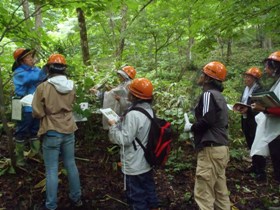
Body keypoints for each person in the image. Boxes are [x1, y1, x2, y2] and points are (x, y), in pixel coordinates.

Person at [32, 54, 82, 210]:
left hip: (52, 129)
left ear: (48, 69)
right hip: (69, 128)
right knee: (71, 164)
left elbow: (37, 112)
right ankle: (77, 198)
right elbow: (73, 104)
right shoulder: (72, 85)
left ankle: (51, 205)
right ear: (64, 69)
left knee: (52, 169)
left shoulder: (43, 87)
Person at [184, 61, 231, 210]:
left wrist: (191, 127)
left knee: (203, 194)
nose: (200, 76)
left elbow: (207, 120)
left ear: (208, 78)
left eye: (203, 74)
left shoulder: (208, 94)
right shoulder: (219, 96)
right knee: (220, 192)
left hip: (211, 150)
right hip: (221, 148)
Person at [107, 78, 159, 210]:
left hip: (134, 162)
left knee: (136, 196)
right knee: (148, 189)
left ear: (134, 95)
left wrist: (113, 126)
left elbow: (124, 140)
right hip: (146, 160)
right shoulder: (149, 110)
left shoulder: (134, 114)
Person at [12, 48, 47, 166]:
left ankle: (35, 152)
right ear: (22, 61)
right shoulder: (18, 72)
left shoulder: (35, 69)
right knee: (21, 130)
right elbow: (32, 79)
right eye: (29, 57)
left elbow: (43, 79)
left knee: (35, 129)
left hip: (35, 104)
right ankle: (20, 158)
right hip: (22, 105)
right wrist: (45, 71)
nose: (32, 59)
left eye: (32, 56)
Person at [251, 51, 280, 183]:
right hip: (275, 131)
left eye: (268, 66)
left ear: (276, 66)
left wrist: (264, 109)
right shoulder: (277, 83)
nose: (265, 70)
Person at [235, 67, 266, 181]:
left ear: (254, 79)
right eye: (246, 76)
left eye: (248, 77)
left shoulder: (259, 90)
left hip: (255, 121)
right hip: (246, 120)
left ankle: (261, 171)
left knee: (257, 143)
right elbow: (244, 102)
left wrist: (248, 110)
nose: (246, 79)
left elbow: (261, 107)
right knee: (250, 142)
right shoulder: (246, 89)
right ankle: (254, 165)